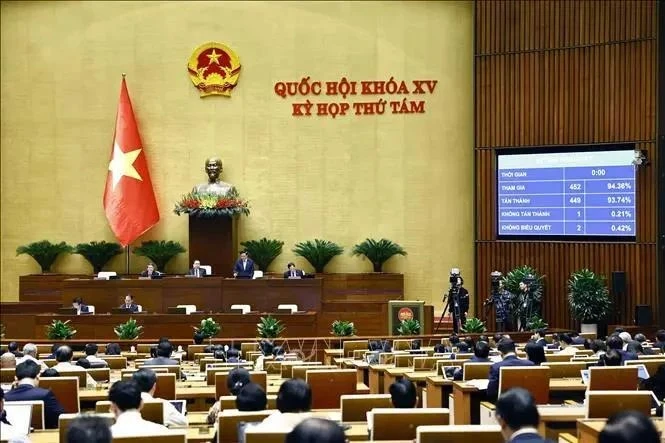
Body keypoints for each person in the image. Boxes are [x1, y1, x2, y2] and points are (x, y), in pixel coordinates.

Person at [5, 360, 65, 428]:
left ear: (15, 378)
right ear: (38, 376)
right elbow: (61, 417)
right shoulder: (45, 394)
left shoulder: (5, 397)